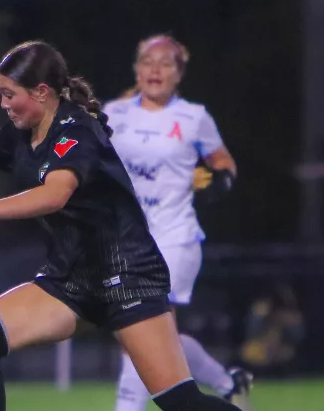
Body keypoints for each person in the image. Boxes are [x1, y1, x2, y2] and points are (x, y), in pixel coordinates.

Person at [0, 40, 240, 411]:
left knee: (179, 401)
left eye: (9, 94)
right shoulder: (22, 131)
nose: (3, 104)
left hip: (127, 276)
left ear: (41, 92)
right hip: (71, 280)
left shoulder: (78, 131)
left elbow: (55, 194)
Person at [103, 35, 252, 411]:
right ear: (137, 70)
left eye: (166, 62)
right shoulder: (115, 115)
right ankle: (227, 381)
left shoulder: (193, 117)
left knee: (141, 328)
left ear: (179, 73)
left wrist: (219, 181)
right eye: (148, 61)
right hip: (126, 240)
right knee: (154, 337)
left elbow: (224, 163)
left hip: (175, 237)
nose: (156, 69)